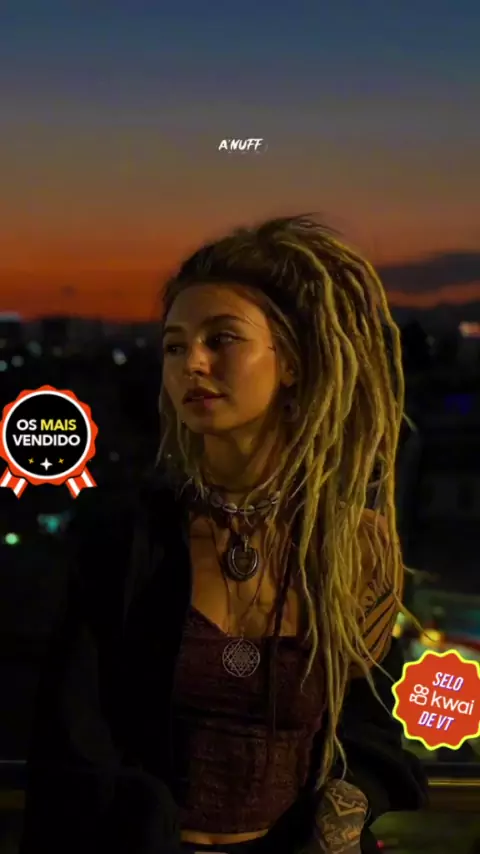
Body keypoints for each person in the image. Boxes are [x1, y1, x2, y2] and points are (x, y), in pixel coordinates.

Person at [20, 215, 427, 854]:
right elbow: (69, 743)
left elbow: (371, 727)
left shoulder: (349, 547)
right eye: (174, 346)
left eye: (222, 338)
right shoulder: (128, 539)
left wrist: (344, 810)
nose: (192, 363)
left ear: (290, 363)